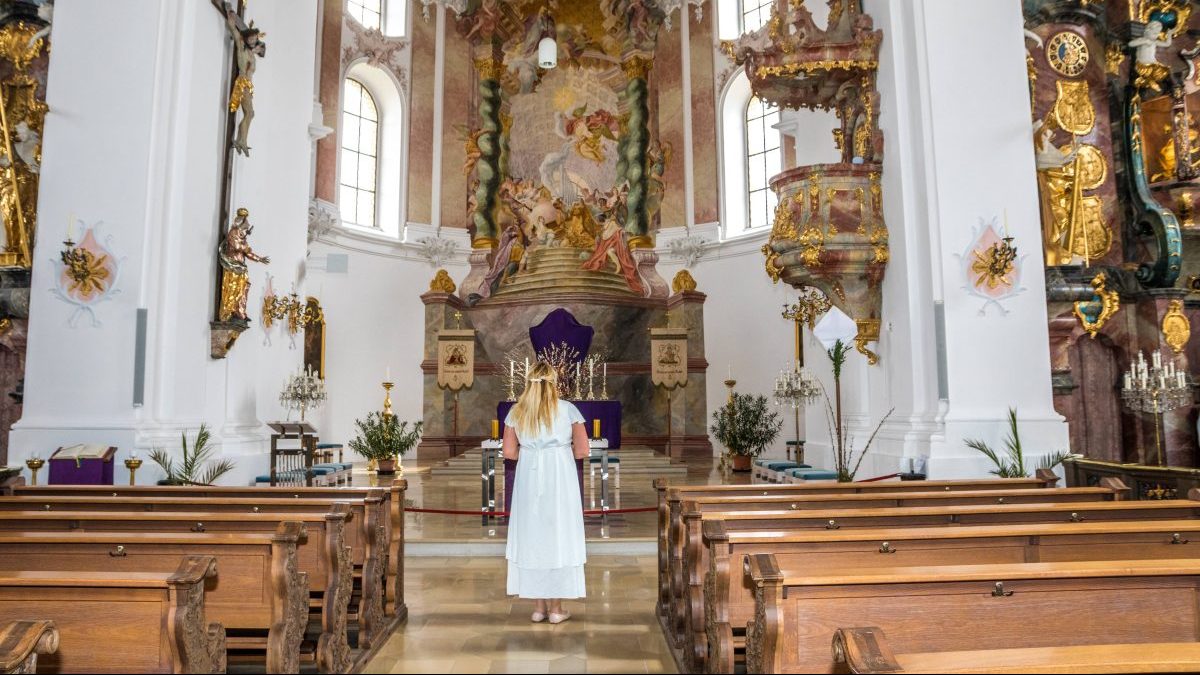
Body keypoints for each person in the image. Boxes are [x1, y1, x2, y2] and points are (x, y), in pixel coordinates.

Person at [503, 361, 589, 624]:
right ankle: (556, 608)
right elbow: (583, 450)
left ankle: (539, 608)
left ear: (528, 383)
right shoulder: (567, 409)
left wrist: (531, 453)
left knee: (532, 535)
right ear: (553, 383)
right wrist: (558, 453)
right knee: (559, 534)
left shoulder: (517, 411)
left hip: (529, 476)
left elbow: (508, 452)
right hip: (559, 477)